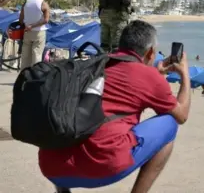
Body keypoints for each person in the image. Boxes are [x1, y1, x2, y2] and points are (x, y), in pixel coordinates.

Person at [38, 20, 192, 193]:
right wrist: (185, 74)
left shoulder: (93, 64)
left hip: (52, 168)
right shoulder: (147, 77)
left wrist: (156, 72)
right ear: (150, 53)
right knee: (169, 124)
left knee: (70, 117)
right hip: (101, 169)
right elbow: (182, 115)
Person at [19, 0, 50, 69]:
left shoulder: (26, 2)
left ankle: (23, 76)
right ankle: (34, 77)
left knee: (25, 56)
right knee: (37, 55)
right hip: (39, 32)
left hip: (27, 32)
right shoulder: (43, 4)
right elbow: (46, 20)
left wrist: (26, 25)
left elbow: (21, 19)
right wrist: (32, 26)